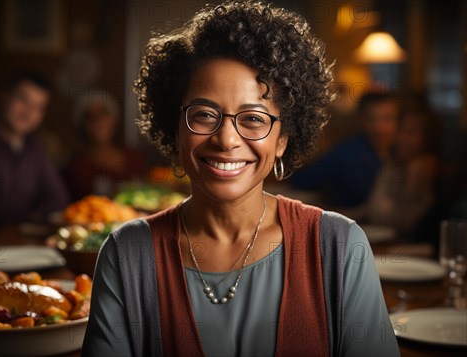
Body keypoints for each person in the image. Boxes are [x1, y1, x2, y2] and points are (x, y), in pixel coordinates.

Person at [82, 2, 399, 356]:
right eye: (204, 115)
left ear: (282, 140)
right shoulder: (127, 254)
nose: (226, 139)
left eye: (253, 119)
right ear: (176, 129)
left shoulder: (339, 246)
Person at [0, 71, 69, 238]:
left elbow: (59, 197)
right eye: (23, 101)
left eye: (38, 108)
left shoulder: (35, 145)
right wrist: (32, 217)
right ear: (4, 96)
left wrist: (34, 216)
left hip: (21, 242)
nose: (29, 113)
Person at [345, 96, 441, 239]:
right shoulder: (393, 164)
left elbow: (408, 225)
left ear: (427, 138)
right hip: (387, 244)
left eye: (412, 133)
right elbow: (373, 209)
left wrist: (413, 182)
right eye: (400, 130)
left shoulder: (428, 171)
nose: (402, 139)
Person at [291, 91, 400, 207]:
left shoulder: (402, 152)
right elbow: (302, 180)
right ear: (361, 120)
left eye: (387, 119)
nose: (379, 127)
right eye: (371, 119)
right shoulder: (347, 153)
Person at [64, 90, 146, 200]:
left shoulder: (134, 157)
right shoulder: (78, 168)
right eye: (90, 117)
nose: (98, 121)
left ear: (114, 119)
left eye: (104, 113)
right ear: (82, 125)